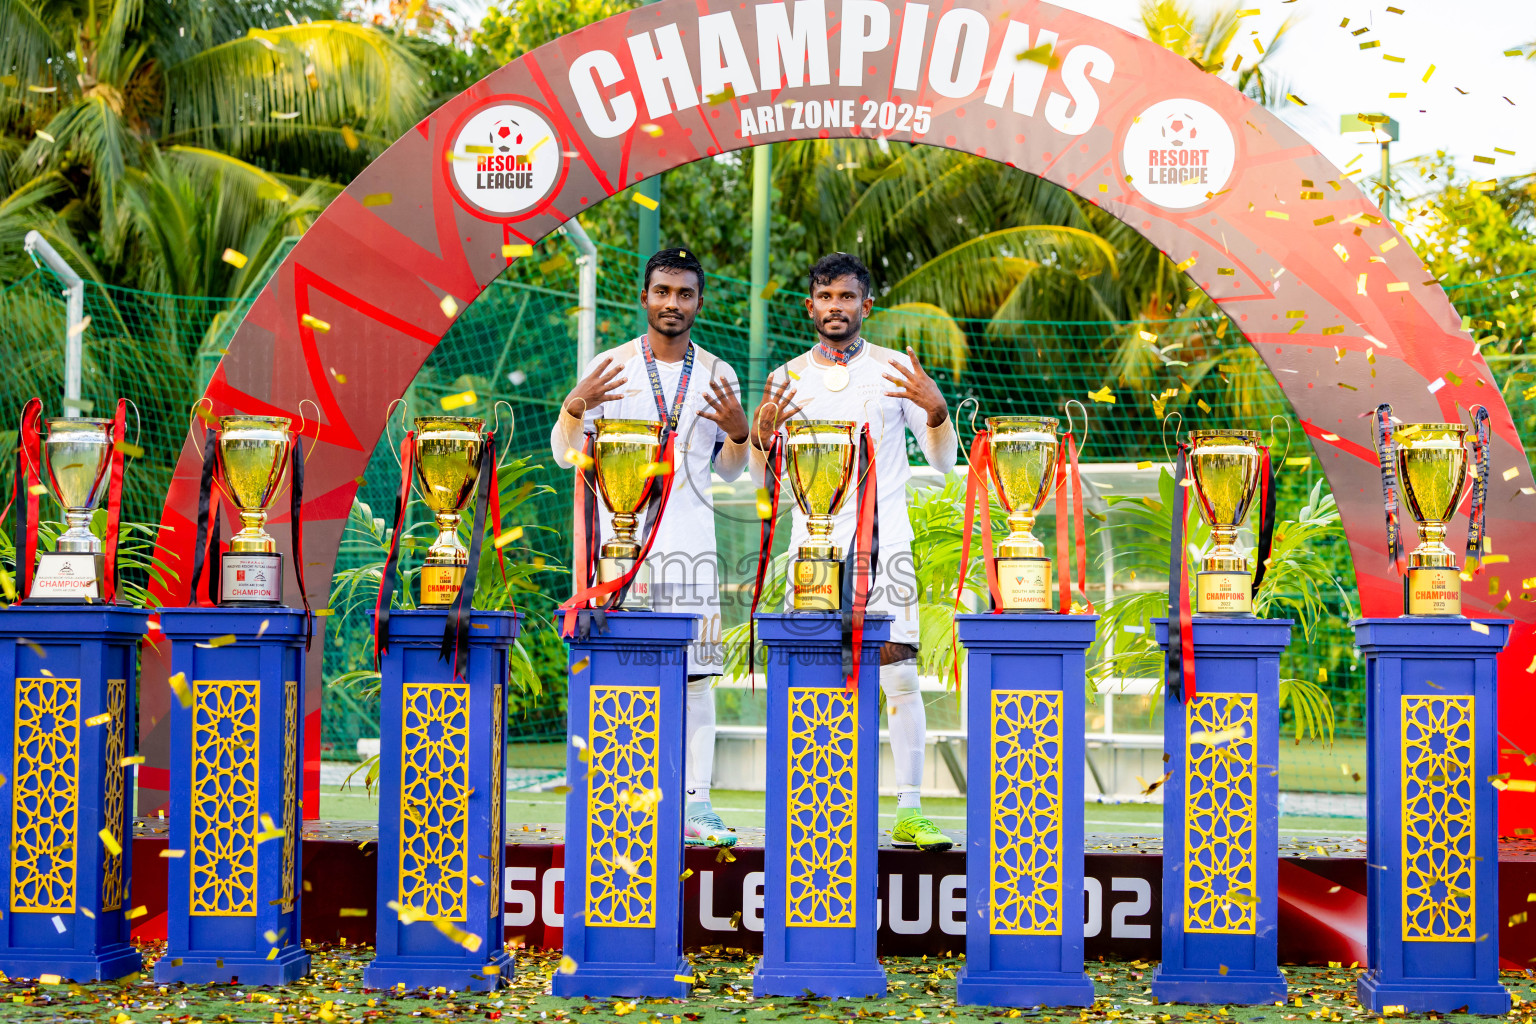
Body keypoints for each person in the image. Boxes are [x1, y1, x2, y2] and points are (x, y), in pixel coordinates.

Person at [748, 252, 957, 852]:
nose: (835, 307)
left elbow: (943, 461)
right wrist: (760, 440)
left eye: (846, 297)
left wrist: (936, 410)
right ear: (809, 306)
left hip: (886, 543)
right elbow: (765, 485)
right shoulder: (785, 377)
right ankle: (818, 810)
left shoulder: (896, 370)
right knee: (814, 677)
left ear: (866, 305)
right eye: (825, 296)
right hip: (812, 549)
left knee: (900, 673)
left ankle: (909, 810)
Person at [551, 247, 749, 848]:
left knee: (697, 679)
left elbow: (732, 471)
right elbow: (566, 453)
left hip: (691, 546)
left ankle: (699, 804)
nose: (672, 302)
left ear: (699, 302)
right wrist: (574, 406)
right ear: (644, 297)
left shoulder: (717, 372)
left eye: (684, 293)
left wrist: (740, 434)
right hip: (621, 553)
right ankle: (619, 799)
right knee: (620, 671)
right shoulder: (609, 365)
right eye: (662, 291)